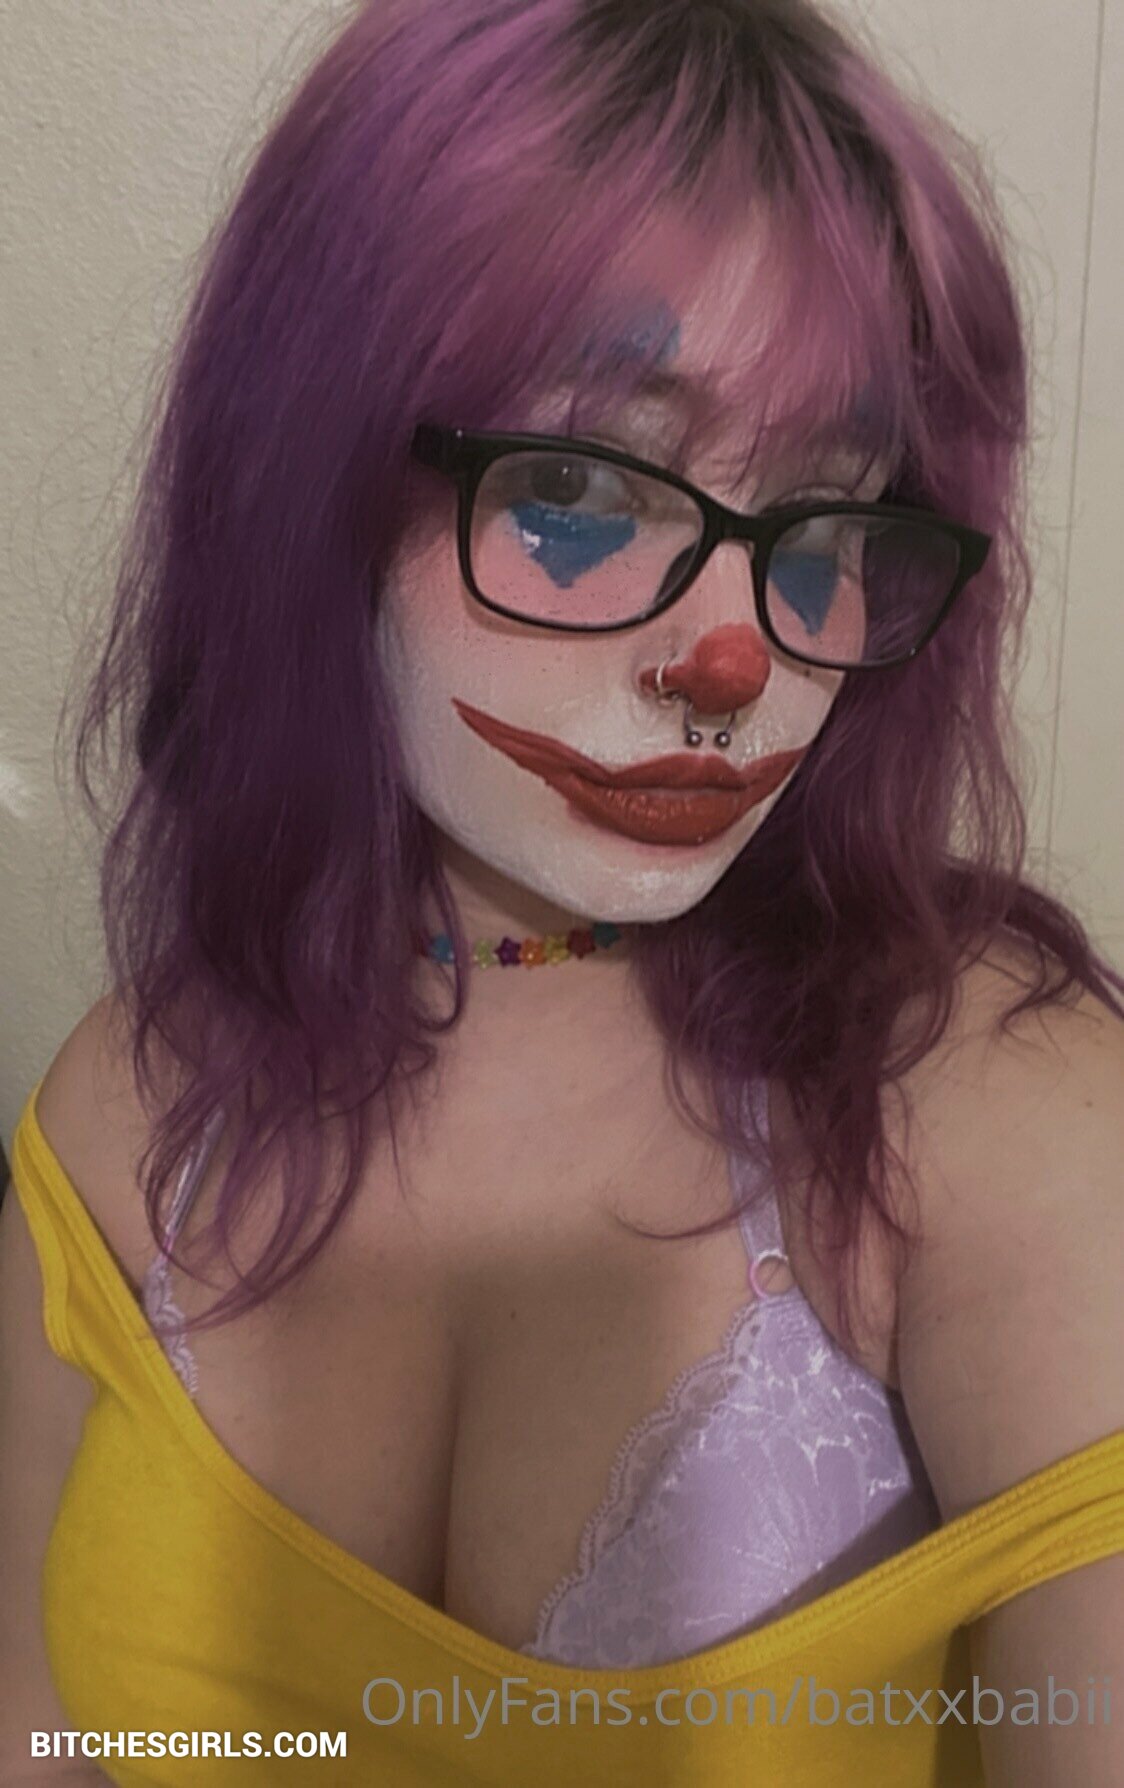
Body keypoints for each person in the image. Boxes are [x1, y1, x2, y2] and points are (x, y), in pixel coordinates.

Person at [2, 1, 1122, 1783]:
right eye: (588, 486)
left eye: (831, 517)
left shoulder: (985, 1110)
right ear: (308, 479)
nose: (736, 660)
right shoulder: (127, 1109)